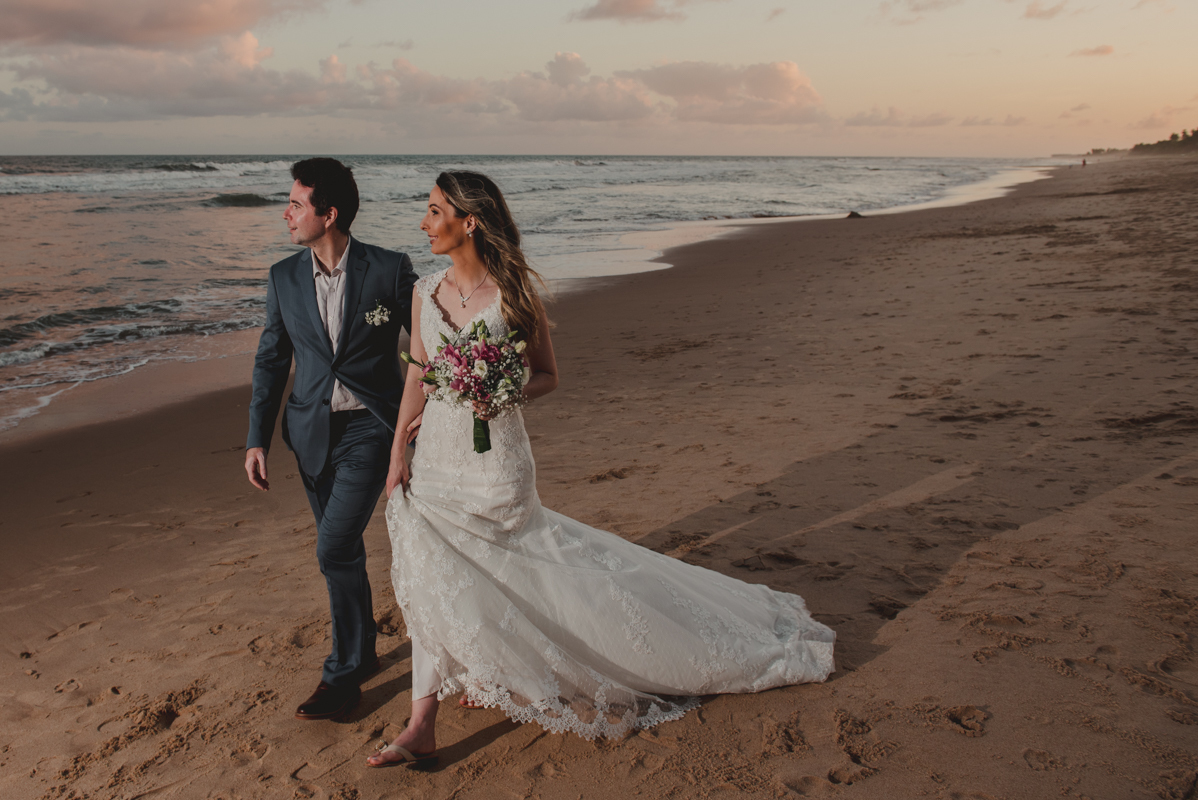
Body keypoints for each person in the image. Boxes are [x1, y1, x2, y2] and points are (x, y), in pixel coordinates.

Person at [366, 171, 834, 768]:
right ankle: (421, 722)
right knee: (433, 576)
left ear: (469, 221)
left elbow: (547, 376)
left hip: (496, 464)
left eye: (434, 211)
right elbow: (418, 374)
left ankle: (601, 655)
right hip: (436, 461)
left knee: (528, 573)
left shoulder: (513, 296)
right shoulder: (424, 291)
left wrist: (503, 391)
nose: (425, 222)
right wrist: (396, 453)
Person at [245, 158, 419, 721]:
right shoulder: (283, 277)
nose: (287, 213)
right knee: (341, 553)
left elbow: (429, 343)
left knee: (332, 547)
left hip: (371, 428)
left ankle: (343, 675)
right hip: (311, 433)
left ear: (329, 214)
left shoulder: (388, 270)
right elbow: (272, 361)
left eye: (296, 204)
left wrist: (434, 409)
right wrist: (257, 439)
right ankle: (364, 648)